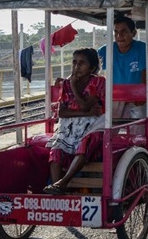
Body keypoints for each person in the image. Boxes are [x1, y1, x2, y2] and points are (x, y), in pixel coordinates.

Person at [43, 48, 105, 195]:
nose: (77, 67)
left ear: (91, 67)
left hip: (94, 124)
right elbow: (62, 112)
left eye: (82, 63)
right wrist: (82, 111)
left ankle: (62, 183)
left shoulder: (98, 82)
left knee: (85, 143)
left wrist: (73, 86)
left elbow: (84, 105)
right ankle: (57, 190)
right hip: (70, 125)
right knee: (57, 149)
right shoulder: (64, 84)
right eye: (74, 62)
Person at [98, 16, 146, 119]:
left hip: (136, 96)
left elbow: (145, 73)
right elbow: (90, 68)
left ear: (133, 33)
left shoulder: (142, 48)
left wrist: (143, 94)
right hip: (114, 96)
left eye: (124, 32)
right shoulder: (105, 50)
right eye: (116, 32)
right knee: (107, 127)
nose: (119, 36)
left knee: (137, 128)